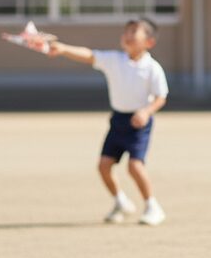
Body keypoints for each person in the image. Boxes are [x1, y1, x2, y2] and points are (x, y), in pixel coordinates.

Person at [47, 17, 169, 226]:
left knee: (134, 166)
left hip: (138, 124)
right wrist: (64, 49)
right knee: (104, 165)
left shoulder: (152, 68)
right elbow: (89, 55)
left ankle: (152, 206)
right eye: (126, 31)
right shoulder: (115, 60)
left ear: (149, 42)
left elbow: (161, 97)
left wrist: (146, 112)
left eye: (134, 32)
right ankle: (120, 201)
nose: (127, 35)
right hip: (118, 120)